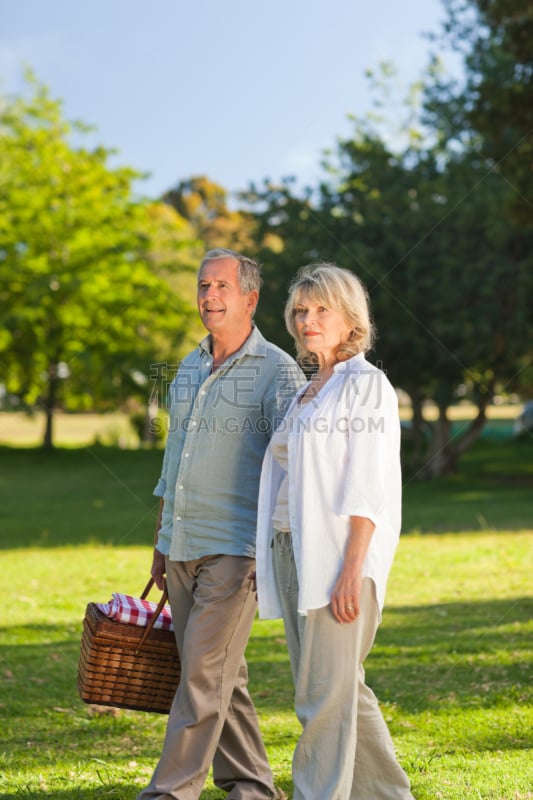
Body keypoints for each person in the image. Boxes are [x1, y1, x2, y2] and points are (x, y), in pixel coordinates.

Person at [138, 249, 304, 800]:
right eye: (203, 285)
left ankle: (170, 792)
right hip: (182, 545)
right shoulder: (186, 366)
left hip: (237, 551)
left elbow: (289, 468)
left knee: (202, 677)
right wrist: (162, 545)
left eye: (221, 286)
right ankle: (253, 786)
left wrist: (274, 550)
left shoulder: (277, 370)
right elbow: (173, 463)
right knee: (221, 677)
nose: (209, 295)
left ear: (250, 298)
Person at [255, 263, 415, 800]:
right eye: (300, 310)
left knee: (322, 699)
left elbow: (367, 488)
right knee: (340, 691)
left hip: (336, 562)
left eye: (322, 309)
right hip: (291, 551)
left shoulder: (366, 386)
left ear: (351, 320)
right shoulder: (309, 390)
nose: (307, 320)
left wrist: (351, 570)